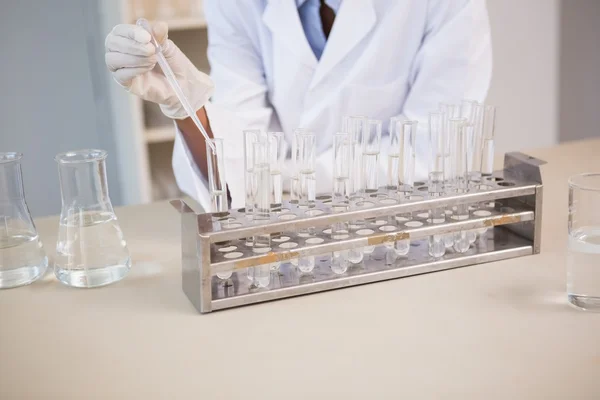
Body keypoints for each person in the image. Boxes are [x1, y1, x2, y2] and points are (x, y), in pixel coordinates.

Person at [105, 0, 492, 211]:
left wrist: (283, 177)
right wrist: (187, 108)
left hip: (407, 230)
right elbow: (239, 168)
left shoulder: (446, 5)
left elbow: (435, 157)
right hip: (288, 242)